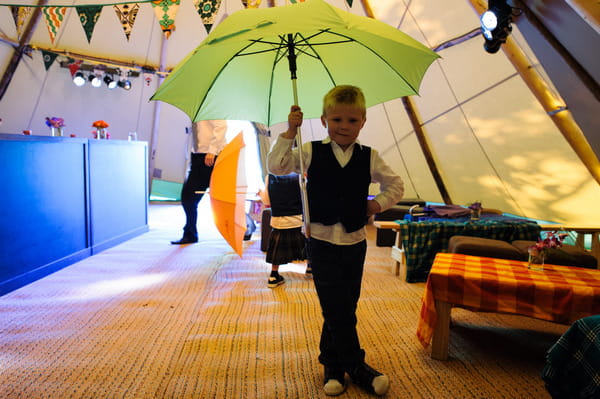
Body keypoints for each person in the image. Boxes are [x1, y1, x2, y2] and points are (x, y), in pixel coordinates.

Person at [267, 85, 404, 396]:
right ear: (324, 120)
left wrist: (375, 205)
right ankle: (357, 366)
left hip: (355, 242)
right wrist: (290, 130)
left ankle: (331, 363)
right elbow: (275, 166)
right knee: (333, 304)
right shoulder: (310, 150)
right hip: (321, 240)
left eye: (352, 121)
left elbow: (396, 185)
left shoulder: (370, 157)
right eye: (338, 119)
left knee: (346, 304)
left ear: (364, 121)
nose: (345, 126)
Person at [171, 119, 227, 245]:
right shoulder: (198, 108)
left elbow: (221, 125)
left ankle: (190, 233)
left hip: (209, 156)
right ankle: (190, 232)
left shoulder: (211, 105)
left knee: (190, 197)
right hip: (198, 155)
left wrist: (212, 151)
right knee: (189, 197)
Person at [260, 173, 310, 288]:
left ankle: (274, 275)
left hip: (279, 221)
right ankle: (310, 267)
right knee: (306, 242)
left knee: (277, 248)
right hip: (299, 219)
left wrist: (261, 194)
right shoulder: (300, 175)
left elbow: (267, 200)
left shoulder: (270, 177)